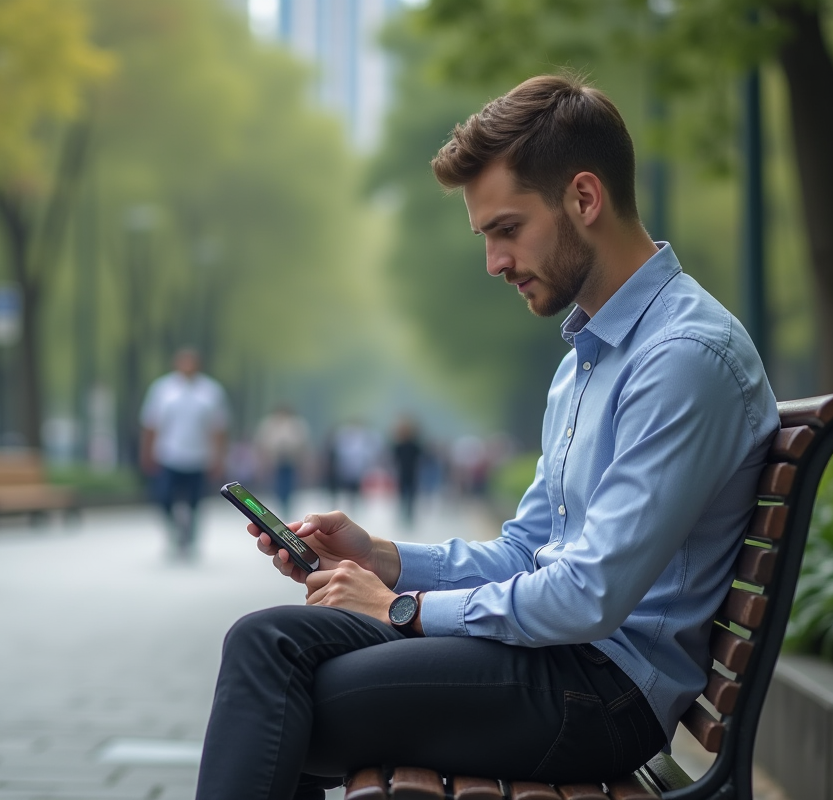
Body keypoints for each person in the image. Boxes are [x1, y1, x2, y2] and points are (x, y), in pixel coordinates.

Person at [195, 74, 778, 799]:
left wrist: (400, 610)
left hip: (603, 694)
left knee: (283, 691)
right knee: (267, 642)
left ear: (585, 199)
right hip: (557, 660)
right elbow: (522, 553)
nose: (495, 262)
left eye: (507, 229)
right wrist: (380, 559)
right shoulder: (587, 361)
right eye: (486, 237)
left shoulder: (684, 358)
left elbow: (589, 595)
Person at [139, 348, 229, 560]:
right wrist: (147, 452)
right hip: (169, 454)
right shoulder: (162, 389)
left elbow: (219, 428)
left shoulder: (211, 391)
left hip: (199, 457)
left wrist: (219, 457)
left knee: (196, 502)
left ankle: (190, 536)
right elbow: (151, 424)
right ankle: (174, 529)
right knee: (164, 497)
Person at [254, 404, 309, 519]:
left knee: (289, 486)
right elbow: (263, 444)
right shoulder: (269, 424)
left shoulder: (295, 424)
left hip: (290, 461)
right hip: (275, 462)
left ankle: (287, 507)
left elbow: (302, 444)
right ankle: (281, 506)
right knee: (277, 487)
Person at [390, 417, 423, 529]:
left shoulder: (414, 445)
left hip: (412, 473)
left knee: (411, 497)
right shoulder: (399, 445)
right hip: (402, 473)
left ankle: (409, 516)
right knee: (402, 496)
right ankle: (403, 515)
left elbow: (421, 458)